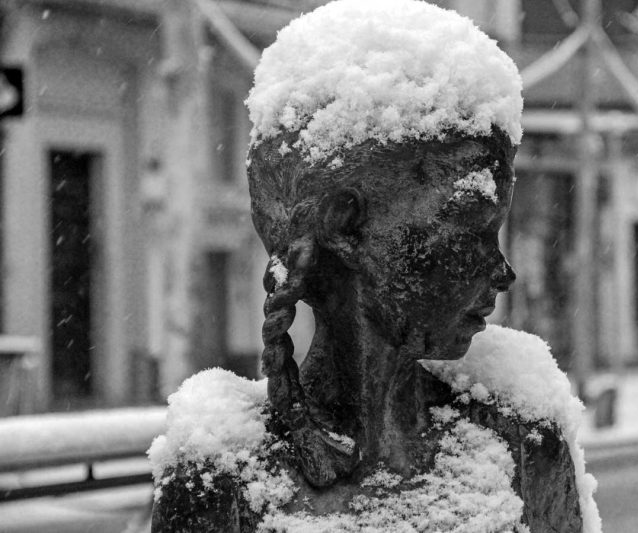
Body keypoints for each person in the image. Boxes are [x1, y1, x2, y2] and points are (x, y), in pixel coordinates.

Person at [151, 1, 598, 531]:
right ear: (346, 228)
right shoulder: (222, 478)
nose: (502, 271)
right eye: (471, 230)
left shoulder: (524, 441)